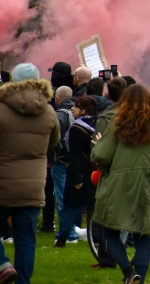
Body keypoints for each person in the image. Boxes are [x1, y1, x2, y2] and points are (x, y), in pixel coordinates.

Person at [90, 84, 150, 284]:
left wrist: (96, 146)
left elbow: (102, 156)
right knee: (144, 234)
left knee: (109, 231)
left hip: (122, 186)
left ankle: (129, 273)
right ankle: (139, 279)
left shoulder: (118, 124)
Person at [0, 63, 60, 284]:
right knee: (26, 237)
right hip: (33, 185)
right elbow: (53, 142)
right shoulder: (48, 110)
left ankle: (1, 265)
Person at [54, 96, 98, 248]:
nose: (73, 109)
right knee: (94, 208)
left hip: (79, 172)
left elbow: (75, 155)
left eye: (77, 106)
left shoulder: (76, 129)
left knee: (70, 208)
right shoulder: (98, 125)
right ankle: (96, 239)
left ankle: (62, 238)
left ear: (83, 110)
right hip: (95, 172)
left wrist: (77, 177)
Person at [50, 86, 79, 245]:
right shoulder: (77, 113)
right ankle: (71, 230)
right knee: (71, 198)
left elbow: (52, 140)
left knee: (61, 198)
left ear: (59, 97)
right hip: (74, 163)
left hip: (60, 162)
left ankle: (69, 234)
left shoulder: (58, 115)